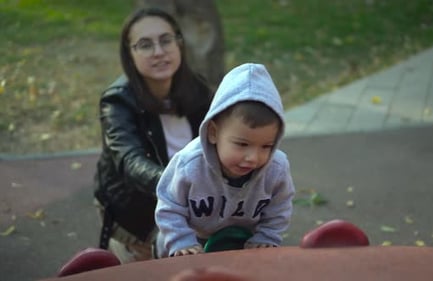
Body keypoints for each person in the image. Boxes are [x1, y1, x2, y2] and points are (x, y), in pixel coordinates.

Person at [93, 7, 213, 263]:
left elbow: (221, 143)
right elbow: (129, 161)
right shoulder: (117, 101)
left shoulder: (198, 89)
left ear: (179, 43)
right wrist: (178, 183)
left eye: (166, 40)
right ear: (130, 54)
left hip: (194, 206)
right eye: (145, 45)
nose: (159, 52)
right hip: (138, 212)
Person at [155, 63, 296, 258]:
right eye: (242, 144)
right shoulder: (189, 164)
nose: (253, 158)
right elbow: (169, 206)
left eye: (266, 146)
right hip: (190, 242)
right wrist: (181, 241)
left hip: (244, 244)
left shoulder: (276, 168)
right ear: (213, 132)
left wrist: (267, 237)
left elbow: (279, 207)